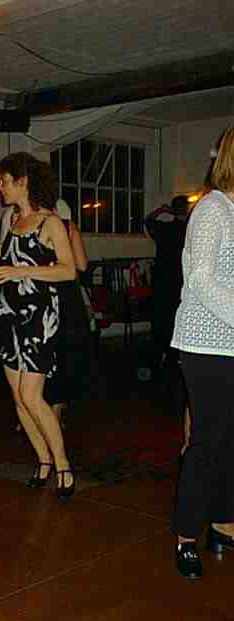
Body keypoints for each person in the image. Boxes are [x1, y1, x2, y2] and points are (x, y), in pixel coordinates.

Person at [0, 152, 76, 498]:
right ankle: (43, 461)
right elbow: (8, 247)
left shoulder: (50, 222)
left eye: (4, 181)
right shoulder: (13, 217)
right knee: (18, 399)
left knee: (31, 395)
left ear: (23, 182)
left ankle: (63, 464)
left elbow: (68, 270)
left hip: (39, 316)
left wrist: (20, 271)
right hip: (9, 314)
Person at [170, 125, 234, 579]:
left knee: (231, 439)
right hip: (204, 342)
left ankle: (223, 523)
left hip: (229, 340)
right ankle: (186, 534)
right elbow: (201, 279)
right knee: (208, 440)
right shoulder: (212, 208)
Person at [44, 203, 92, 428]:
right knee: (65, 352)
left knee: (44, 351)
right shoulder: (67, 226)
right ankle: (56, 411)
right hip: (67, 294)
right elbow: (81, 264)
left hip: (43, 291)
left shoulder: (30, 226)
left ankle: (38, 409)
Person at [145, 195, 190, 366]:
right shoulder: (191, 230)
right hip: (182, 279)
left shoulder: (164, 228)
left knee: (162, 316)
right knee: (179, 315)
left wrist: (161, 211)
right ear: (186, 209)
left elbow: (148, 220)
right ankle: (178, 353)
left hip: (163, 278)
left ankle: (163, 351)